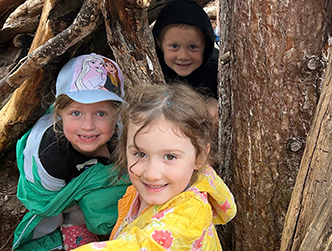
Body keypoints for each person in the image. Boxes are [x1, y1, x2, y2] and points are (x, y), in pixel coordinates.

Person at [74, 83, 237, 250]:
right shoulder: (173, 184)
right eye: (140, 154)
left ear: (200, 156)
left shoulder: (188, 216)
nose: (151, 174)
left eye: (170, 157)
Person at [12, 53, 131, 251]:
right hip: (64, 203)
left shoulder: (121, 135)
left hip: (82, 189)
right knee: (98, 203)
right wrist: (81, 202)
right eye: (76, 113)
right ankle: (73, 225)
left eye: (101, 113)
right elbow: (44, 202)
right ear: (59, 114)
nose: (88, 126)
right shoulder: (49, 154)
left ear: (116, 114)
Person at [153, 0, 220, 124]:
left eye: (193, 47)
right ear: (159, 44)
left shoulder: (217, 69)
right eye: (174, 46)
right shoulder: (150, 66)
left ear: (206, 45)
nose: (183, 56)